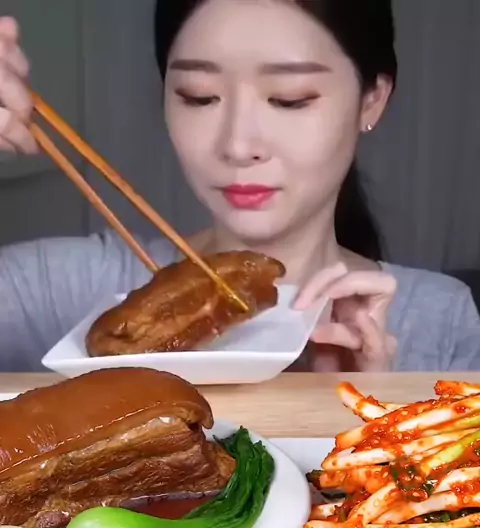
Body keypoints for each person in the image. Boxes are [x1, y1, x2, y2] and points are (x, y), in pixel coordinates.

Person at [0, 1, 479, 373]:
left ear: (371, 100)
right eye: (199, 97)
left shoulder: (440, 320)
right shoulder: (59, 288)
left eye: (289, 99)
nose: (237, 145)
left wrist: (373, 419)